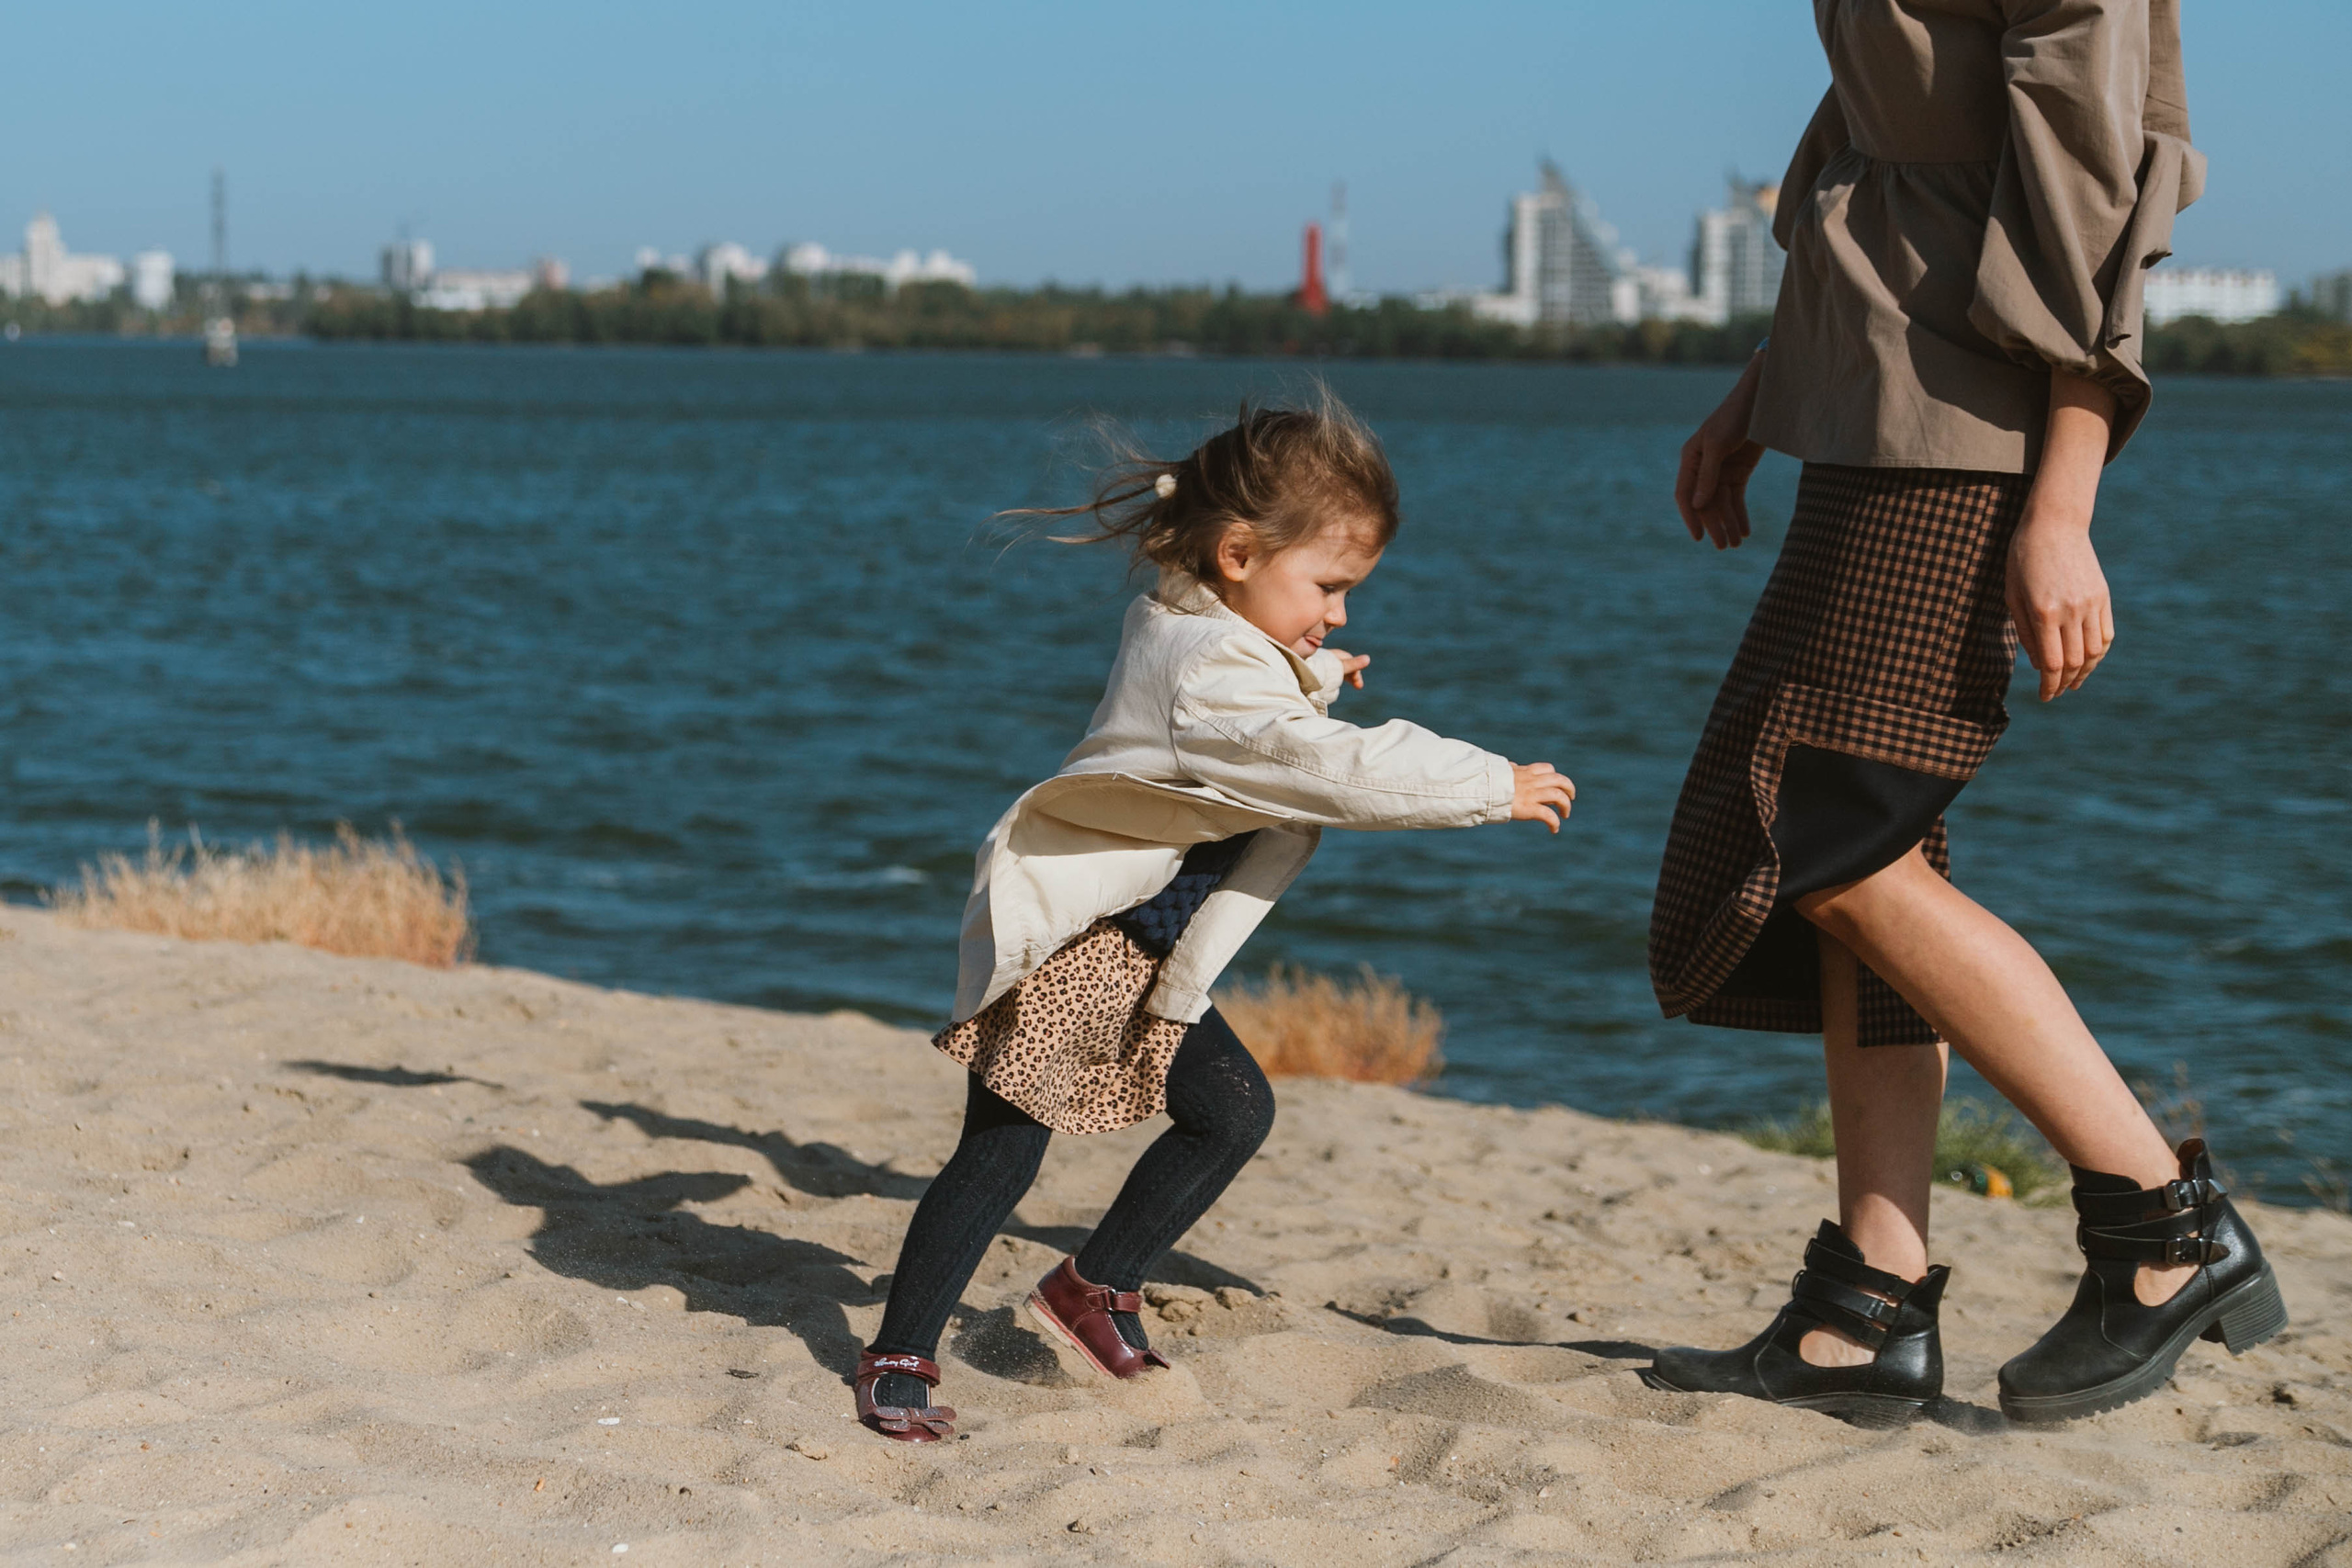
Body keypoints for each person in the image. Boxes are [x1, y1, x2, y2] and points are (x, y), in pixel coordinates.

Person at [1643, 0, 2284, 1428]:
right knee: (1874, 847)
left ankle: (2164, 1224)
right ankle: (1869, 1302)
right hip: (1878, 392)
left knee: (1828, 833)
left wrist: (2063, 506)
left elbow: (2091, 190)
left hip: (1969, 424)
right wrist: (1767, 378)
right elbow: (1876, 147)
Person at [854, 394, 1577, 1442]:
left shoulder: (1201, 623)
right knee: (1003, 1151)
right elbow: (1313, 761)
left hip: (1148, 950)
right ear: (1238, 552)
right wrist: (1486, 784)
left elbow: (1259, 700)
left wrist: (1316, 668)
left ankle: (1091, 1287)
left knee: (1231, 1113)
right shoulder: (1206, 675)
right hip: (1081, 943)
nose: (1335, 613)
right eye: (1326, 588)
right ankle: (899, 1352)